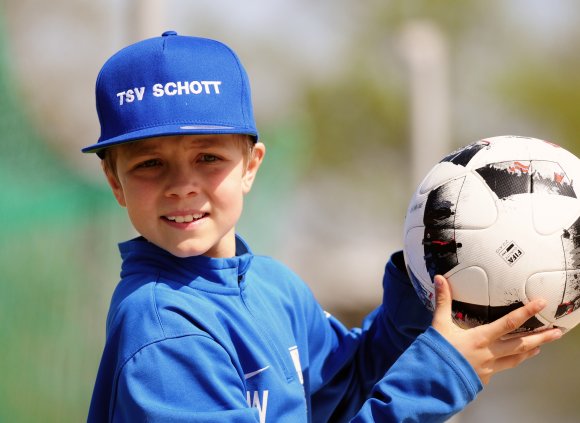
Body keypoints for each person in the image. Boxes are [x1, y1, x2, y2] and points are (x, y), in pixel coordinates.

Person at [83, 31, 562, 422]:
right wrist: (434, 377)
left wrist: (429, 275)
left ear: (251, 166)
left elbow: (347, 390)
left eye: (208, 157)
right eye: (150, 163)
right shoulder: (165, 332)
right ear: (115, 181)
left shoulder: (273, 286)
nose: (182, 186)